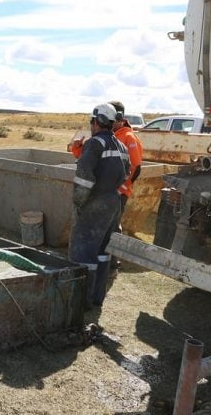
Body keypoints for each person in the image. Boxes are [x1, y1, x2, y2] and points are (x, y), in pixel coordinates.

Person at [69, 103, 130, 310]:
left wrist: (79, 202)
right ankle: (97, 298)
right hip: (113, 203)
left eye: (92, 122)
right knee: (104, 252)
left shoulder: (94, 144)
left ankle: (81, 302)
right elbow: (127, 173)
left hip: (94, 203)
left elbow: (84, 178)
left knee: (83, 252)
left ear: (96, 121)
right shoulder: (120, 146)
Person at [108, 101, 143, 222]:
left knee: (112, 226)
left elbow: (136, 168)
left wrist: (122, 189)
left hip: (118, 194)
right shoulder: (110, 135)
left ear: (118, 117)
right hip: (106, 191)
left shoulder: (129, 137)